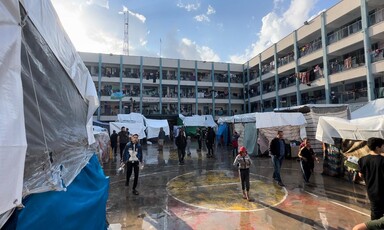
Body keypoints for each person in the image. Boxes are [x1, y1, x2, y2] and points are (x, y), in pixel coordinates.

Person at [358, 137, 384, 220]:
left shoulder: (362, 160)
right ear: (377, 147)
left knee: (375, 214)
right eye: (383, 146)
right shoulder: (383, 160)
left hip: (371, 192)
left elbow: (360, 175)